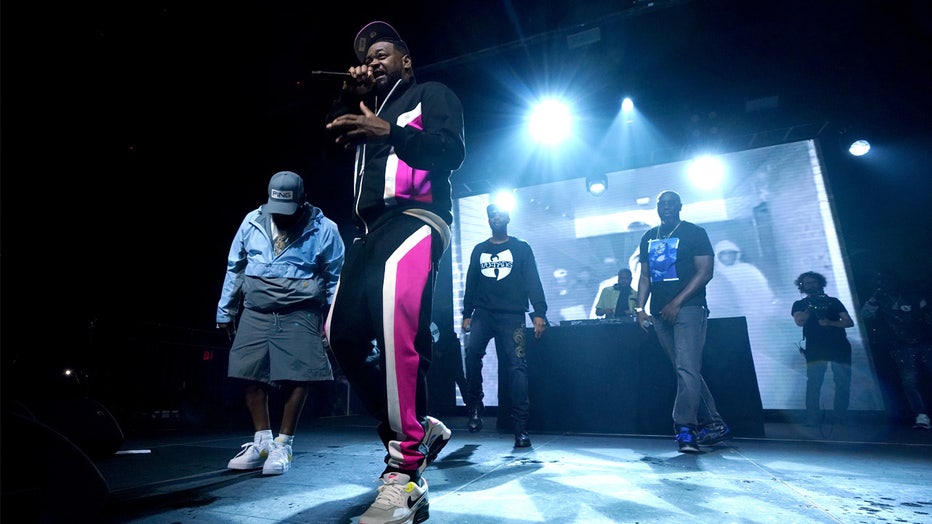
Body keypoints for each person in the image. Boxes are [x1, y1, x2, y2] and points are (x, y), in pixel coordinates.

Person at [323, 20, 465, 524]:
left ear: (406, 59)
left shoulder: (431, 93)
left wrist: (391, 130)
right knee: (338, 335)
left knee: (394, 319)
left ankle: (406, 473)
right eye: (367, 55)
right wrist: (348, 94)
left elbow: (451, 151)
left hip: (420, 216)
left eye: (382, 52)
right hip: (368, 231)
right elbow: (335, 131)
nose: (374, 59)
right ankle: (418, 428)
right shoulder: (368, 108)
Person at [216, 171, 345, 475]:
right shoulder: (251, 221)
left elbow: (335, 279)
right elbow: (235, 266)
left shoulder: (325, 229)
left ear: (302, 201)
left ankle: (283, 445)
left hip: (300, 310)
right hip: (256, 309)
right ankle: (262, 442)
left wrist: (332, 320)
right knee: (248, 373)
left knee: (300, 376)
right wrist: (225, 311)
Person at [634, 190, 731, 453]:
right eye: (661, 204)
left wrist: (676, 303)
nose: (666, 207)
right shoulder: (649, 236)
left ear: (679, 206)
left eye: (670, 203)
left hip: (688, 308)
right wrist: (640, 307)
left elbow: (705, 271)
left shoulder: (694, 232)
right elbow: (644, 277)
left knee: (686, 369)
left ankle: (685, 429)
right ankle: (715, 424)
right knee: (684, 369)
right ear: (657, 208)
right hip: (659, 313)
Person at [461, 203, 549, 448]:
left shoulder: (521, 248)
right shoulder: (479, 250)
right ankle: (475, 407)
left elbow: (533, 280)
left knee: (516, 367)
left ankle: (520, 428)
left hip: (512, 315)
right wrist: (467, 313)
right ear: (488, 221)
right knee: (471, 355)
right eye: (491, 215)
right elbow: (472, 282)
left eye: (500, 214)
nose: (496, 218)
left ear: (508, 217)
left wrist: (539, 312)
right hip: (483, 313)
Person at [860, 271, 932, 430]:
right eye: (882, 282)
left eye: (889, 281)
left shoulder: (912, 295)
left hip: (924, 340)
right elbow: (865, 314)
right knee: (910, 381)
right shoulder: (880, 299)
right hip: (900, 345)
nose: (886, 284)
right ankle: (921, 414)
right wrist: (874, 297)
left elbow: (927, 313)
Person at [791, 271, 854, 427]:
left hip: (839, 347)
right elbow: (800, 321)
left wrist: (831, 323)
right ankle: (813, 417)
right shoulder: (799, 304)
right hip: (815, 349)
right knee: (814, 382)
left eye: (813, 282)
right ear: (802, 286)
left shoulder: (833, 301)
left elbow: (848, 322)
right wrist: (810, 308)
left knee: (842, 382)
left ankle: (840, 418)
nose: (811, 286)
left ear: (820, 284)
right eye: (807, 283)